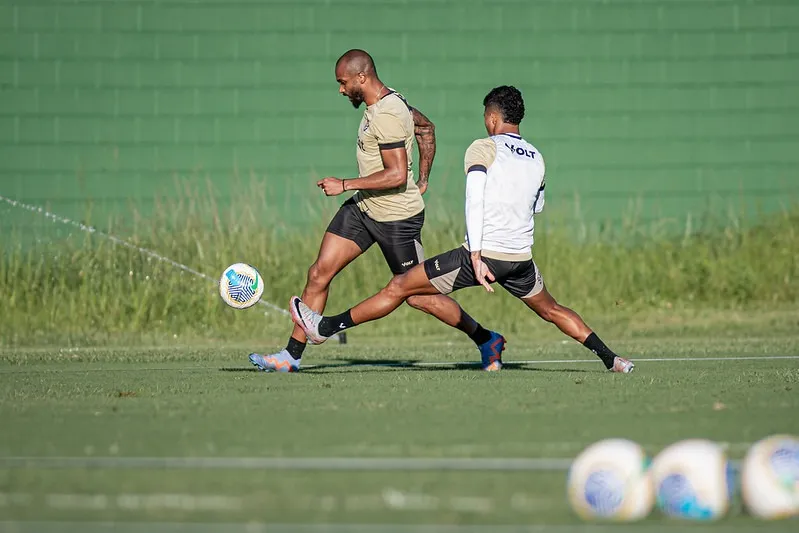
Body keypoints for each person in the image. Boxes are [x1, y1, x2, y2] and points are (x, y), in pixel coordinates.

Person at [288, 85, 635, 373]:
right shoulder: (536, 156)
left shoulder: (483, 147)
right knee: (552, 310)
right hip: (520, 258)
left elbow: (475, 199)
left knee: (399, 286)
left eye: (487, 115)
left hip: (482, 257)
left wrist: (476, 255)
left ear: (492, 117)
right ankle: (612, 359)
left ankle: (325, 327)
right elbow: (537, 206)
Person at [249, 50, 505, 373]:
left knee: (417, 296)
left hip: (398, 221)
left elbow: (397, 174)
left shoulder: (387, 114)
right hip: (364, 208)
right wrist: (423, 178)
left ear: (361, 78)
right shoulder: (387, 104)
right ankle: (291, 356)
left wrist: (344, 184)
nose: (340, 90)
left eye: (343, 83)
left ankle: (486, 338)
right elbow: (426, 128)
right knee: (318, 273)